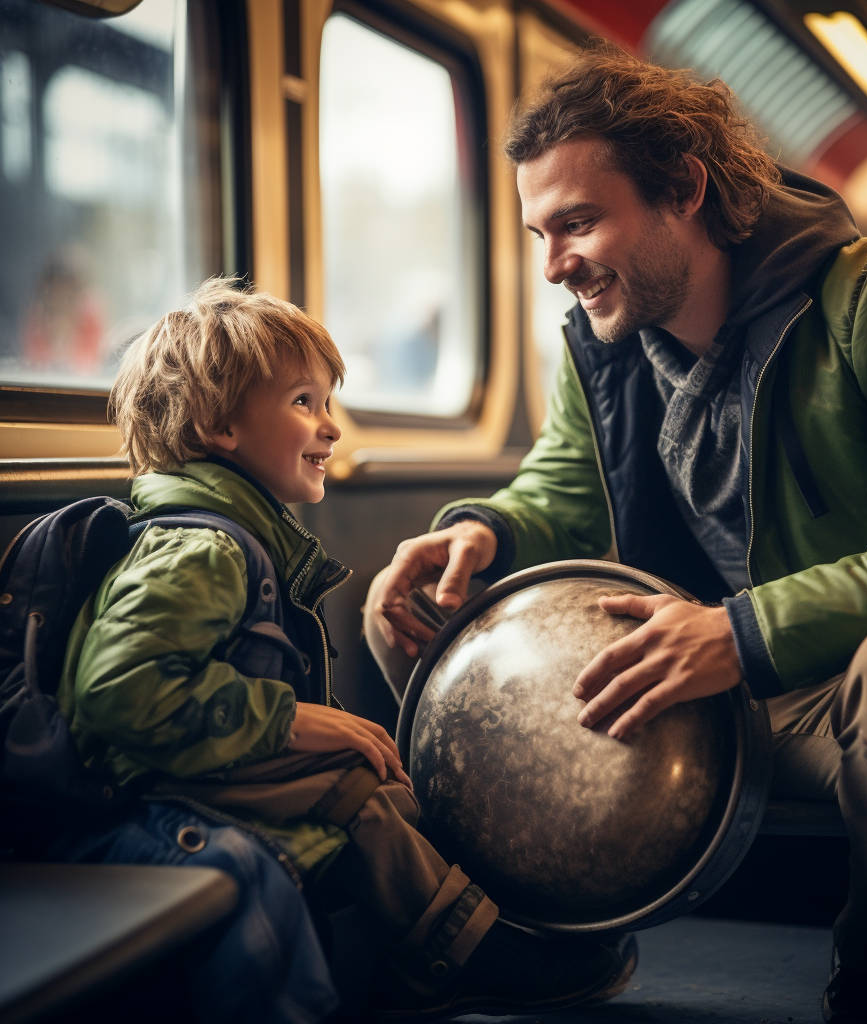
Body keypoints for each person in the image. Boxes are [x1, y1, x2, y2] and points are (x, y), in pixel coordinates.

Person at [368, 44, 867, 1024]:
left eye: (579, 223)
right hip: (701, 672)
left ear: (684, 189)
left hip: (847, 680)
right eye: (541, 233)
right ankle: (558, 941)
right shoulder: (605, 340)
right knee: (417, 619)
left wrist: (739, 633)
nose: (555, 267)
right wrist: (480, 531)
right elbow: (561, 486)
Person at [48, 278, 634, 1024]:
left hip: (184, 762)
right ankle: (456, 959)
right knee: (351, 788)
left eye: (328, 402)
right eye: (304, 403)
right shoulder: (197, 551)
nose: (331, 428)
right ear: (221, 426)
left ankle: (476, 929)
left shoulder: (233, 538)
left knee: (376, 778)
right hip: (142, 786)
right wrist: (298, 724)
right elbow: (118, 695)